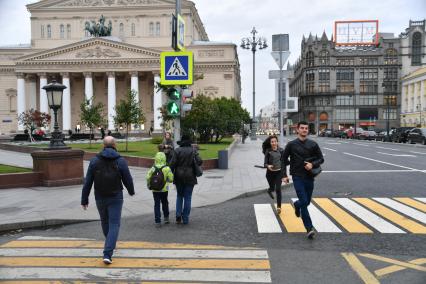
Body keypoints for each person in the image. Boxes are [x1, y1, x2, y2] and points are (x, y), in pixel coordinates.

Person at [81, 136, 135, 264]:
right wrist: (131, 191)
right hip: (116, 196)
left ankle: (109, 245)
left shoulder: (94, 161)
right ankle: (108, 252)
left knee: (105, 222)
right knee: (114, 224)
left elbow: (87, 181)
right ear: (115, 145)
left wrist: (84, 199)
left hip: (100, 196)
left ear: (103, 145)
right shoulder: (120, 160)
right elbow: (128, 178)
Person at [282, 121, 324, 239]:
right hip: (297, 176)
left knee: (306, 202)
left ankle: (297, 204)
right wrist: (284, 175)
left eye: (306, 128)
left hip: (310, 177)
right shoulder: (291, 145)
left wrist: (312, 164)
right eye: (302, 128)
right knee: (304, 201)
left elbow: (321, 159)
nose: (304, 130)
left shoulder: (313, 144)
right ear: (297, 129)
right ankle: (309, 228)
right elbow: (283, 159)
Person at [169, 134, 202, 225]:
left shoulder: (177, 151)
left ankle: (178, 216)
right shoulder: (193, 150)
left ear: (182, 142)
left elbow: (172, 165)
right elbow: (200, 161)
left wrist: (169, 176)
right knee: (188, 197)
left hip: (178, 176)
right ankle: (186, 218)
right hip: (190, 176)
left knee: (179, 196)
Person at [146, 152, 174, 227]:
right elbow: (171, 179)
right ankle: (166, 218)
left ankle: (157, 221)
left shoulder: (153, 168)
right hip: (164, 189)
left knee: (157, 204)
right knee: (165, 202)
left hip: (155, 189)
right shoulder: (167, 168)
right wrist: (167, 180)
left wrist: (149, 185)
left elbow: (148, 177)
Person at [263, 135, 286, 214]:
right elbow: (265, 163)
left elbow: (283, 164)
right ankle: (269, 190)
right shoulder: (268, 151)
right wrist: (267, 166)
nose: (274, 143)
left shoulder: (281, 150)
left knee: (278, 189)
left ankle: (279, 207)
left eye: (275, 141)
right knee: (272, 188)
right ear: (270, 143)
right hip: (270, 174)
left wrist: (284, 175)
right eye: (272, 142)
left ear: (277, 142)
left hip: (278, 173)